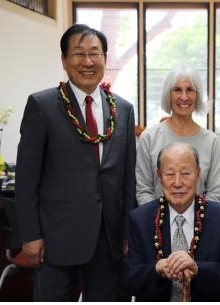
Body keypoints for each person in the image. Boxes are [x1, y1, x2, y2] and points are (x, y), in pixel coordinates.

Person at [15, 24, 137, 301]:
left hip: (109, 238)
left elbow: (127, 176)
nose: (88, 62)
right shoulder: (42, 105)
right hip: (56, 239)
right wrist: (30, 235)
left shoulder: (124, 109)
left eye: (95, 53)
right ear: (64, 59)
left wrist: (128, 231)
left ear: (105, 59)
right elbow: (27, 178)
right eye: (79, 54)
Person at [127, 142, 220, 301]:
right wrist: (156, 268)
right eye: (169, 174)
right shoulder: (140, 219)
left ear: (198, 174)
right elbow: (130, 279)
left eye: (185, 173)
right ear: (159, 177)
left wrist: (198, 269)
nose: (177, 183)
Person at [136, 64, 220, 205]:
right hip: (156, 223)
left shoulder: (212, 142)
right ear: (168, 95)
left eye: (190, 90)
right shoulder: (149, 138)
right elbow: (143, 190)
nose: (184, 97)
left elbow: (215, 194)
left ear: (198, 95)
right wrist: (161, 221)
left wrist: (193, 221)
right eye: (177, 90)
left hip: (199, 225)